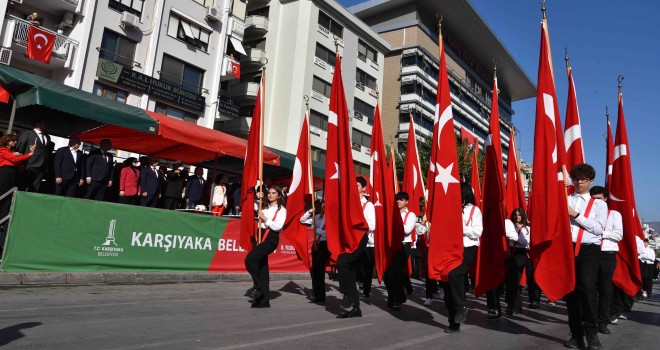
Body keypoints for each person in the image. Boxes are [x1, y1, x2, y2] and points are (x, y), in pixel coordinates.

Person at [564, 164, 608, 350]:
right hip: (567, 248)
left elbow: (598, 229)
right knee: (570, 292)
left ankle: (592, 333)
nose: (579, 182)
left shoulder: (599, 204)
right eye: (576, 179)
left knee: (588, 287)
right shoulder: (564, 199)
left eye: (583, 179)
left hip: (589, 249)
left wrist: (575, 215)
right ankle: (576, 334)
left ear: (591, 181)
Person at [443, 182, 482, 334]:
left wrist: (461, 229)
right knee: (446, 282)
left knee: (456, 273)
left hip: (467, 248)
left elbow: (478, 231)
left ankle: (461, 307)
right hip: (450, 248)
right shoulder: (450, 209)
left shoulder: (474, 210)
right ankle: (454, 321)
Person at [336, 176, 374, 318]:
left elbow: (372, 225)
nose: (354, 188)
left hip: (360, 239)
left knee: (342, 262)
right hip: (347, 238)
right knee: (349, 271)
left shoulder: (368, 205)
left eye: (357, 186)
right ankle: (356, 308)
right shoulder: (347, 203)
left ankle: (347, 294)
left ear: (363, 188)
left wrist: (357, 222)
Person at [245, 185, 287, 308]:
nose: (270, 195)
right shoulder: (264, 206)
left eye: (273, 193)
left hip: (271, 238)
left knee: (250, 259)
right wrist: (256, 195)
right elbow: (249, 203)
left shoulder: (281, 210)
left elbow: (278, 226)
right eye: (269, 193)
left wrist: (265, 218)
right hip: (261, 235)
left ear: (279, 195)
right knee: (262, 268)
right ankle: (264, 300)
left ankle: (258, 286)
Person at [589, 186, 623, 335]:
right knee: (589, 288)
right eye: (594, 199)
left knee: (605, 289)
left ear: (605, 199)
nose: (597, 202)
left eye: (599, 199)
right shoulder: (588, 214)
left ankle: (603, 321)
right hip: (591, 253)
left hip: (607, 254)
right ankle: (590, 319)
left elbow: (618, 235)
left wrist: (601, 232)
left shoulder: (614, 214)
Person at [383, 192, 417, 310]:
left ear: (406, 201)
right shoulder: (391, 213)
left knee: (395, 273)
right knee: (387, 274)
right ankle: (398, 296)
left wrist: (395, 223)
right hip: (391, 245)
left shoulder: (411, 215)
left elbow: (407, 230)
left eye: (401, 200)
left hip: (403, 246)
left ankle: (396, 298)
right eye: (397, 199)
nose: (398, 202)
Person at [0, 135, 35, 249]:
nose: (15, 143)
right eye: (13, 141)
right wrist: (29, 154)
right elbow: (14, 160)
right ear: (7, 141)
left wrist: (20, 155)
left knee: (8, 200)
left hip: (12, 177)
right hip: (5, 176)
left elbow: (17, 162)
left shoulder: (11, 152)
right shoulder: (2, 150)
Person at [504, 208, 539, 317]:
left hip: (520, 254)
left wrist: (514, 236)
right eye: (515, 215)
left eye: (519, 215)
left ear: (523, 216)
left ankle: (516, 306)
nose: (517, 217)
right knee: (510, 281)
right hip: (509, 253)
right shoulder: (509, 225)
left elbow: (525, 242)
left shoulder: (527, 229)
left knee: (515, 280)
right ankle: (511, 305)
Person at [301, 200, 329, 303]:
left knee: (318, 268)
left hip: (326, 245)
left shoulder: (333, 218)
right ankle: (317, 294)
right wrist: (309, 212)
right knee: (315, 270)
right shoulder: (317, 217)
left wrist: (316, 230)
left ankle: (320, 295)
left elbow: (329, 234)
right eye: (324, 205)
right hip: (316, 245)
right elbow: (302, 220)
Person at [15, 119, 51, 192]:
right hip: (29, 164)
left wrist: (46, 166)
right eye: (44, 123)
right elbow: (20, 148)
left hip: (41, 167)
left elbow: (47, 152)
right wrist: (21, 163)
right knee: (23, 186)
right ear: (38, 124)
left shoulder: (47, 137)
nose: (46, 125)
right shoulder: (28, 133)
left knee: (35, 188)